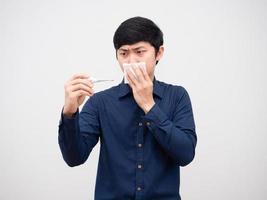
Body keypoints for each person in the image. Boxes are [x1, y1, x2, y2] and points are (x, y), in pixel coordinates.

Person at [58, 16, 197, 200]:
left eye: (140, 52)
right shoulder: (100, 102)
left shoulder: (177, 96)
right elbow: (74, 158)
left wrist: (149, 105)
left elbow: (185, 154)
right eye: (124, 53)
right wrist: (69, 112)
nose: (130, 61)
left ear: (159, 53)